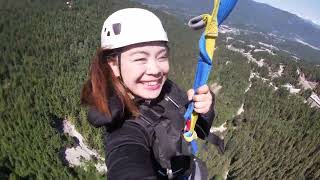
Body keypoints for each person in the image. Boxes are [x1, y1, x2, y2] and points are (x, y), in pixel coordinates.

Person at [81, 8, 215, 180]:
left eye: (161, 57)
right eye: (140, 59)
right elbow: (126, 161)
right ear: (114, 64)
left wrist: (204, 110)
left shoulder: (166, 90)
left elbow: (198, 130)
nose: (156, 70)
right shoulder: (124, 126)